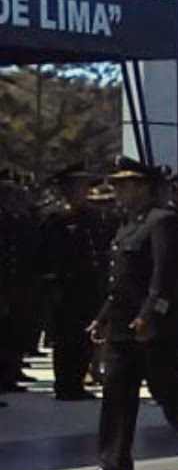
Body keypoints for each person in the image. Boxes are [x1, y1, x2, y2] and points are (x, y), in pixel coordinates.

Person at [76, 158, 178, 470]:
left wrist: (149, 315)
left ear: (143, 188)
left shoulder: (162, 222)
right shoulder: (126, 224)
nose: (117, 191)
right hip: (123, 327)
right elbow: (121, 280)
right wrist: (103, 317)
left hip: (154, 330)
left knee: (173, 397)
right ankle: (115, 465)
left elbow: (165, 278)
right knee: (116, 396)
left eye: (124, 184)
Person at [38, 164, 106, 401]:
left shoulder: (91, 216)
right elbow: (46, 255)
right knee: (66, 337)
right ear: (67, 189)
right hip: (65, 287)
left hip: (88, 285)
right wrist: (52, 285)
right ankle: (65, 384)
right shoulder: (55, 218)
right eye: (78, 186)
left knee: (85, 336)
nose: (83, 190)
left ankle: (77, 381)